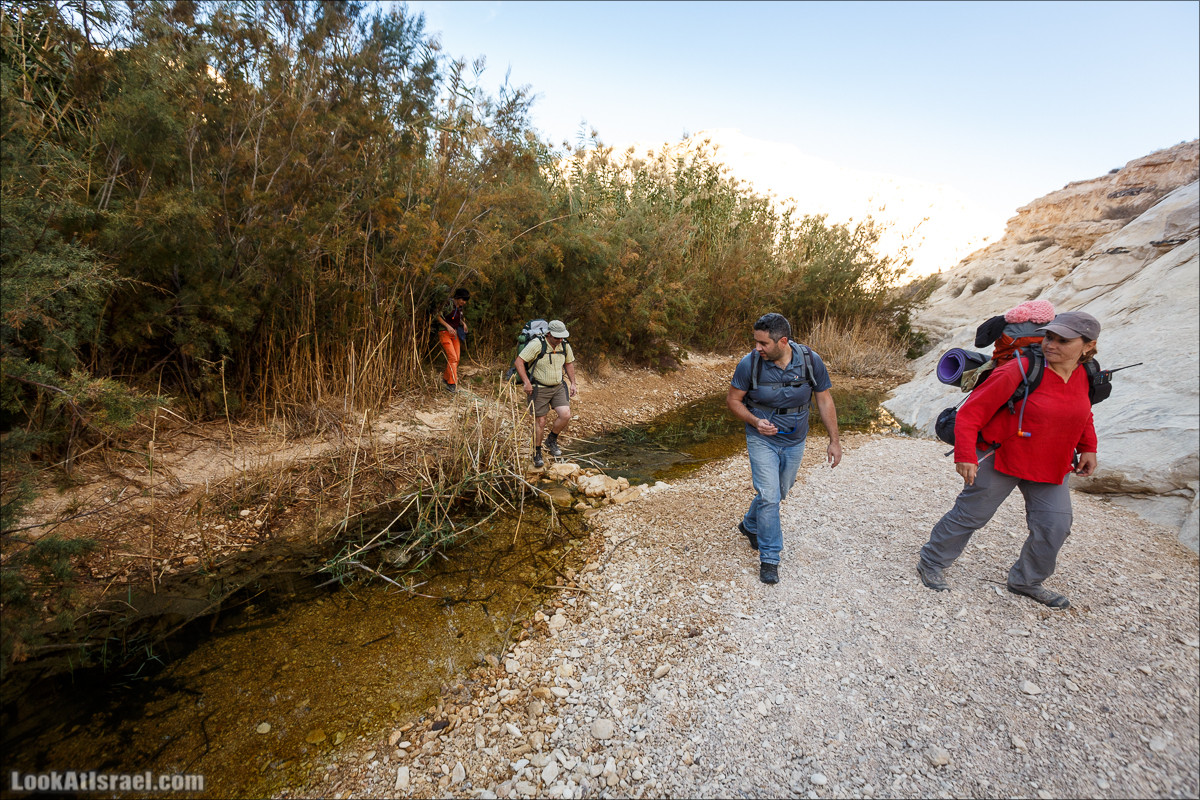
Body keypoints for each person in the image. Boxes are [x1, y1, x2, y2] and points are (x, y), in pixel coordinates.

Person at [916, 311, 1101, 610]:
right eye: (1049, 336)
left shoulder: (1086, 373)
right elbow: (970, 413)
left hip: (1052, 463)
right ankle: (931, 561)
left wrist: (1088, 447)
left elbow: (1083, 412)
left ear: (1088, 346)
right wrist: (965, 455)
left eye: (1062, 340)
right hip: (1001, 455)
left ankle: (1026, 581)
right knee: (971, 515)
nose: (1050, 344)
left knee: (1055, 525)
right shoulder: (1020, 368)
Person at [726, 313, 841, 584]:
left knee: (780, 492)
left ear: (783, 341)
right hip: (761, 439)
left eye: (763, 343)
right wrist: (755, 421)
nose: (757, 348)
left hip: (795, 440)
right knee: (769, 495)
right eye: (755, 342)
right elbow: (733, 400)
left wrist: (834, 441)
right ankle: (770, 557)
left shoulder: (811, 361)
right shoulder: (749, 364)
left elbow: (824, 400)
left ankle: (750, 524)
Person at [514, 319, 577, 469]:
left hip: (558, 386)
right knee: (540, 421)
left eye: (562, 337)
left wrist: (573, 383)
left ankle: (551, 440)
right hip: (538, 387)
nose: (560, 340)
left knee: (565, 414)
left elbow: (569, 363)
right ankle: (537, 452)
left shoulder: (565, 345)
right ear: (549, 334)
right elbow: (519, 362)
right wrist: (526, 383)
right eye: (557, 337)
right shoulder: (537, 344)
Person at [432, 287, 470, 393]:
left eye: (465, 300)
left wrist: (463, 323)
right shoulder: (448, 304)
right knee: (452, 357)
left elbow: (458, 318)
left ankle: (446, 378)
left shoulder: (459, 307)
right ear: (457, 297)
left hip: (454, 334)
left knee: (456, 358)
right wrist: (447, 326)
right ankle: (451, 384)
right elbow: (438, 316)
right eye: (463, 299)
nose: (464, 302)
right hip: (444, 332)